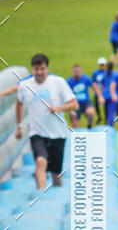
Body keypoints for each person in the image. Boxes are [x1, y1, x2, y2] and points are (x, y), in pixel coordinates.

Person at [15, 54, 77, 188]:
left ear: (47, 68)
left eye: (42, 69)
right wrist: (19, 126)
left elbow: (74, 104)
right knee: (40, 162)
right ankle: (40, 197)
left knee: (56, 174)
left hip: (58, 133)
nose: (39, 72)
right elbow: (19, 102)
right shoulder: (24, 86)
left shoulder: (58, 82)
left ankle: (55, 195)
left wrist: (58, 108)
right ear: (32, 69)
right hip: (37, 133)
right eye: (36, 69)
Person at [66, 64, 95, 129]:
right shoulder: (68, 82)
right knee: (74, 121)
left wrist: (99, 96)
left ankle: (89, 127)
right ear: (72, 72)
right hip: (74, 103)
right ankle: (74, 135)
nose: (77, 73)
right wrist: (70, 110)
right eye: (76, 72)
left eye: (78, 72)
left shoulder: (85, 78)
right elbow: (65, 96)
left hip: (85, 102)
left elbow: (93, 86)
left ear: (81, 71)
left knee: (90, 112)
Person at [92, 57, 111, 123]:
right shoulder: (95, 72)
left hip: (104, 91)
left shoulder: (107, 72)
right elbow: (94, 82)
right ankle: (99, 116)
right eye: (101, 65)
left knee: (106, 106)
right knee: (96, 104)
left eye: (103, 65)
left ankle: (106, 119)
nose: (102, 66)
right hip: (97, 91)